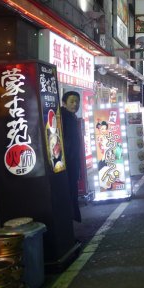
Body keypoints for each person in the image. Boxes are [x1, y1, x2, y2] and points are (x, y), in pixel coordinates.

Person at [60, 90, 82, 222]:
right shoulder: (64, 118)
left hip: (72, 163)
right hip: (67, 163)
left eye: (77, 101)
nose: (75, 104)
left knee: (72, 193)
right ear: (64, 103)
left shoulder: (70, 117)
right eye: (72, 101)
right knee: (68, 194)